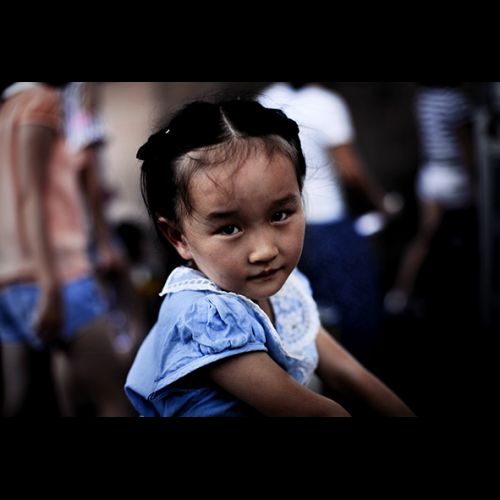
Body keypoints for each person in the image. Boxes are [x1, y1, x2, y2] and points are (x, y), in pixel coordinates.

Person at [124, 99, 415, 417]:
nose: (265, 250)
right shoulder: (203, 317)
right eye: (230, 228)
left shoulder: (284, 291)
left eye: (280, 214)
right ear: (178, 237)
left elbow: (348, 374)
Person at [0, 82, 133, 416]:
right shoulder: (42, 102)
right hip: (57, 275)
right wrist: (49, 283)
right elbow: (31, 195)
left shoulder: (7, 110)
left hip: (9, 279)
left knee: (24, 400)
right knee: (114, 395)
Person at [257, 82, 402, 365]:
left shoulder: (267, 98)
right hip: (326, 219)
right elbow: (350, 171)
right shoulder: (326, 103)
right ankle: (358, 372)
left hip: (284, 222)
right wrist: (382, 203)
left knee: (300, 303)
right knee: (355, 306)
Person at [384, 82, 476, 315]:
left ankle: (400, 293)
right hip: (453, 174)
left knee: (426, 235)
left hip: (431, 172)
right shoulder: (455, 99)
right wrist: (474, 182)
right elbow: (465, 145)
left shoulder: (424, 98)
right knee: (461, 235)